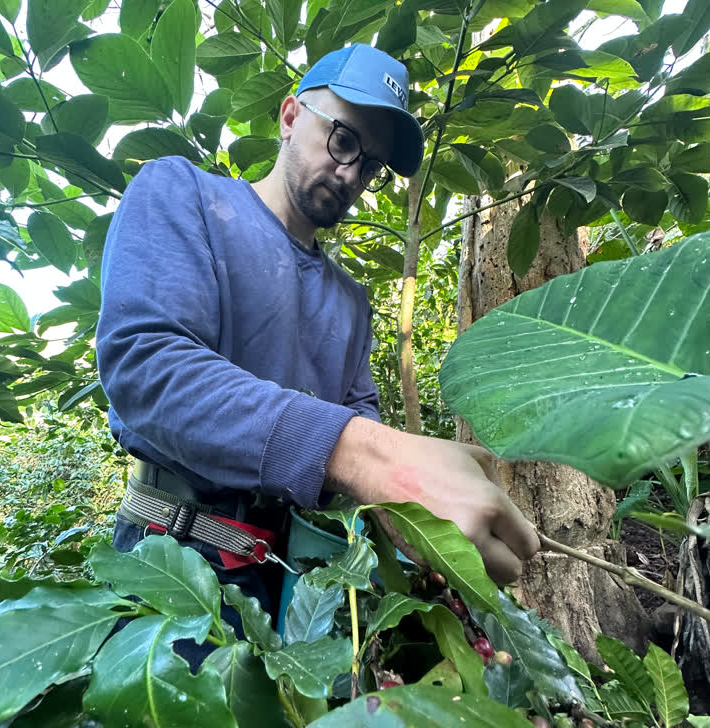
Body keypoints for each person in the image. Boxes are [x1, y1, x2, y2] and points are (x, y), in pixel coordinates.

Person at [96, 43, 539, 640]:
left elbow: (360, 432)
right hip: (173, 564)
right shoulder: (184, 195)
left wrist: (411, 534)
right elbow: (147, 368)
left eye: (372, 164)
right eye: (345, 140)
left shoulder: (351, 303)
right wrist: (373, 458)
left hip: (305, 588)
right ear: (288, 117)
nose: (353, 173)